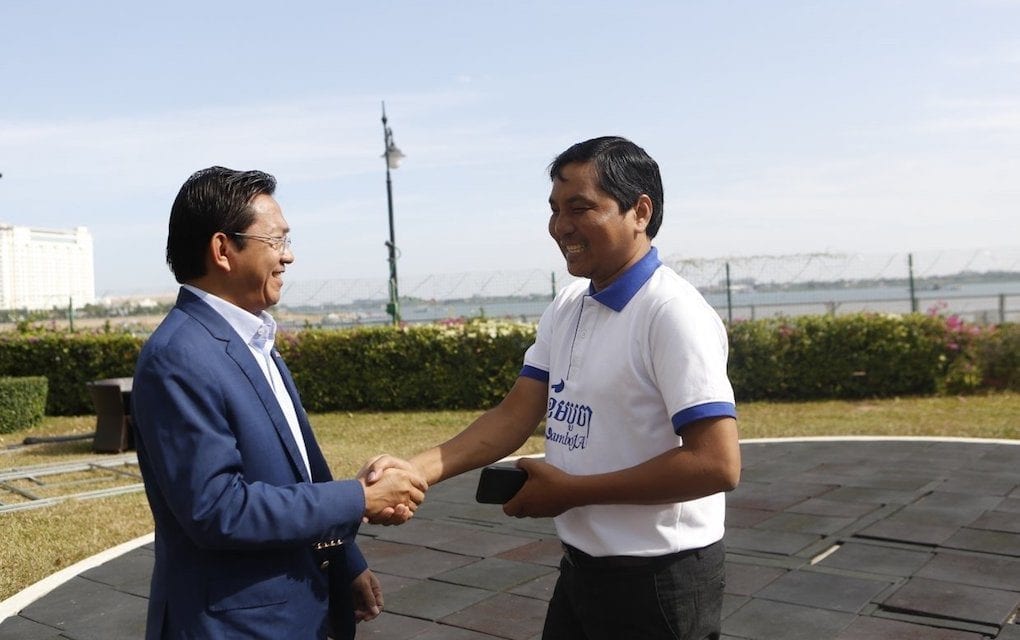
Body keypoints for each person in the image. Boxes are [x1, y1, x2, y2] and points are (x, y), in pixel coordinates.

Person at [369, 136, 741, 639]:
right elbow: (515, 414)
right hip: (584, 568)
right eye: (555, 209)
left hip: (660, 579)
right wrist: (414, 470)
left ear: (640, 211)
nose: (561, 226)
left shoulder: (671, 314)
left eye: (581, 207)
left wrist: (572, 492)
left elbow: (716, 463)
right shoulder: (570, 306)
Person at [132, 166, 426, 640]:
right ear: (223, 249)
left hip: (295, 608)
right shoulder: (179, 356)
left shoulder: (252, 338)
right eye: (277, 241)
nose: (289, 256)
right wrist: (361, 498)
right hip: (236, 623)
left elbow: (303, 468)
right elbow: (218, 509)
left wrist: (344, 561)